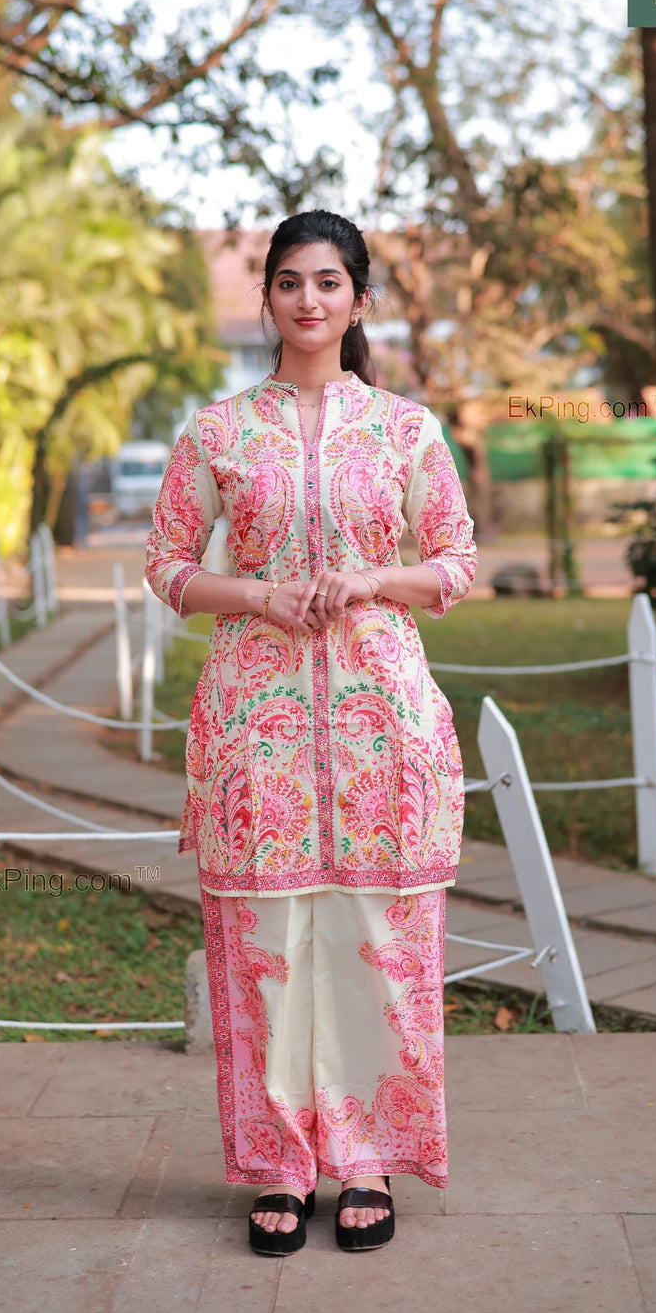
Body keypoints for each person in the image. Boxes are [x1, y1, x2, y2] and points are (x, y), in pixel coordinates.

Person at [144, 209, 477, 1254]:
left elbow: (457, 564)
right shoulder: (218, 430)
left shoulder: (408, 429)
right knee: (269, 945)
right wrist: (254, 595)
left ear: (357, 299)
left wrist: (375, 577)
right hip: (259, 724)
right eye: (289, 282)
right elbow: (165, 565)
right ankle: (280, 1160)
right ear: (269, 299)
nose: (308, 299)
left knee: (374, 936)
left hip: (383, 718)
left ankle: (368, 1153)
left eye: (328, 281)